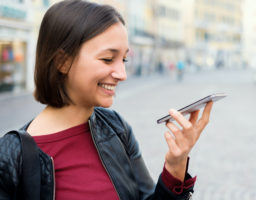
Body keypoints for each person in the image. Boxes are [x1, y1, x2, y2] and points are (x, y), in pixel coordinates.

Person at [0, 0, 213, 199]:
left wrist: (175, 165)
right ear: (62, 62)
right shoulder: (10, 156)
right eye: (108, 59)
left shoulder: (116, 127)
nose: (122, 74)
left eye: (124, 59)